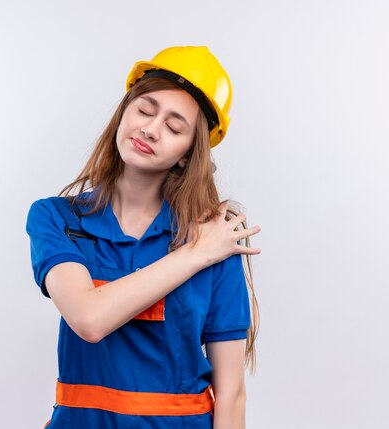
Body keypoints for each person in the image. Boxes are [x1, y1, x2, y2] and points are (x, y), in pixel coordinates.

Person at [26, 46, 262, 429]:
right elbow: (89, 318)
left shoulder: (216, 240)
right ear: (124, 113)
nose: (151, 129)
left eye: (174, 127)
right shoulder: (56, 218)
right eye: (145, 110)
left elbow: (232, 392)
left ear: (188, 153)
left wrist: (203, 247)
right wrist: (194, 255)